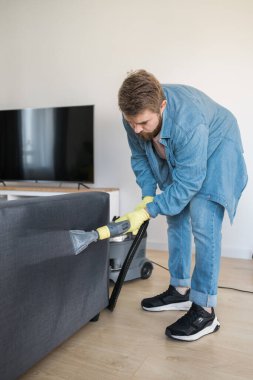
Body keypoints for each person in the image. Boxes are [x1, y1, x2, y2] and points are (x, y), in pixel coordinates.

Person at [117, 69, 248, 341]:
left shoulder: (190, 121)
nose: (136, 129)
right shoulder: (133, 115)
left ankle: (205, 308)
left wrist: (149, 211)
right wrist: (147, 197)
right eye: (131, 123)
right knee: (174, 215)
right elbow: (140, 158)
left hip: (217, 146)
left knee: (203, 222)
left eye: (142, 122)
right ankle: (180, 290)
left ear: (162, 106)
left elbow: (190, 182)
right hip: (184, 152)